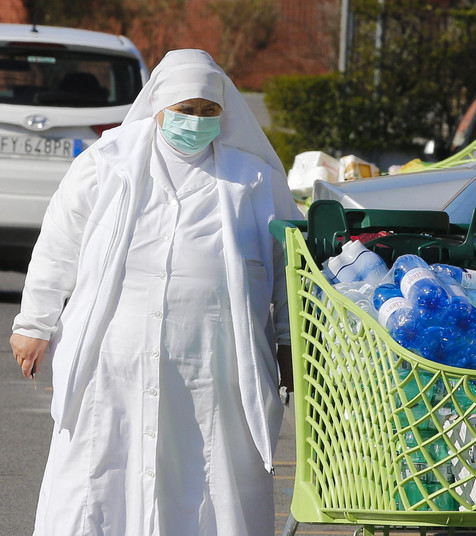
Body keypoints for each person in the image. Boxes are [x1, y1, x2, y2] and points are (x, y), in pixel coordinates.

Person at [9, 49, 301, 535]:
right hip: (114, 364)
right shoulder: (107, 164)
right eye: (186, 109)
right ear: (160, 105)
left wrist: (291, 341)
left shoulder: (255, 181)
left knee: (206, 483)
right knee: (102, 479)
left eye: (209, 111)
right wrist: (34, 324)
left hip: (214, 370)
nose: (197, 121)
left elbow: (287, 265)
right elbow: (58, 245)